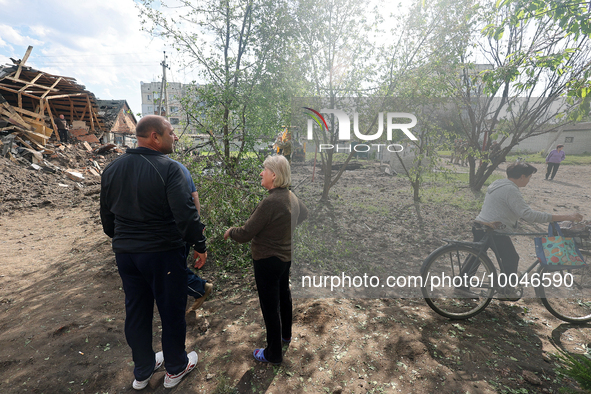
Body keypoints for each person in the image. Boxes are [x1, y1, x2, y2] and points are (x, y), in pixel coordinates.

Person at [100, 115, 205, 390]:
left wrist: (126, 241)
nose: (175, 137)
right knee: (171, 310)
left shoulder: (111, 170)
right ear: (155, 137)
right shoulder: (169, 169)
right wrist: (200, 244)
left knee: (136, 310)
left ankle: (143, 371)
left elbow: (107, 220)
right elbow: (186, 214)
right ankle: (175, 367)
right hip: (162, 253)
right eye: (171, 132)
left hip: (126, 254)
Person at [224, 155, 308, 364]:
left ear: (274, 175)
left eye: (264, 170)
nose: (261, 173)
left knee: (270, 307)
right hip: (284, 258)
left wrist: (230, 232)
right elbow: (304, 214)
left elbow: (245, 234)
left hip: (267, 261)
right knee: (284, 295)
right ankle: (285, 336)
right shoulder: (291, 197)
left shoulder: (270, 202)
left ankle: (273, 354)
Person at [469, 161, 582, 298]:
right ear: (522, 176)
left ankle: (461, 285)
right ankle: (506, 292)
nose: (529, 181)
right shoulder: (511, 190)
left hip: (480, 225)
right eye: (529, 177)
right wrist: (564, 216)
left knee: (475, 256)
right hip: (494, 230)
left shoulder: (498, 183)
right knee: (511, 258)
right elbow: (528, 215)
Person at [170, 157, 214, 314]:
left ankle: (199, 288)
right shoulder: (179, 167)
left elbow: (193, 198)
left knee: (170, 271)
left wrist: (196, 238)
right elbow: (195, 198)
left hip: (173, 233)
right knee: (175, 268)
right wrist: (195, 234)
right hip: (183, 230)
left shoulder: (172, 169)